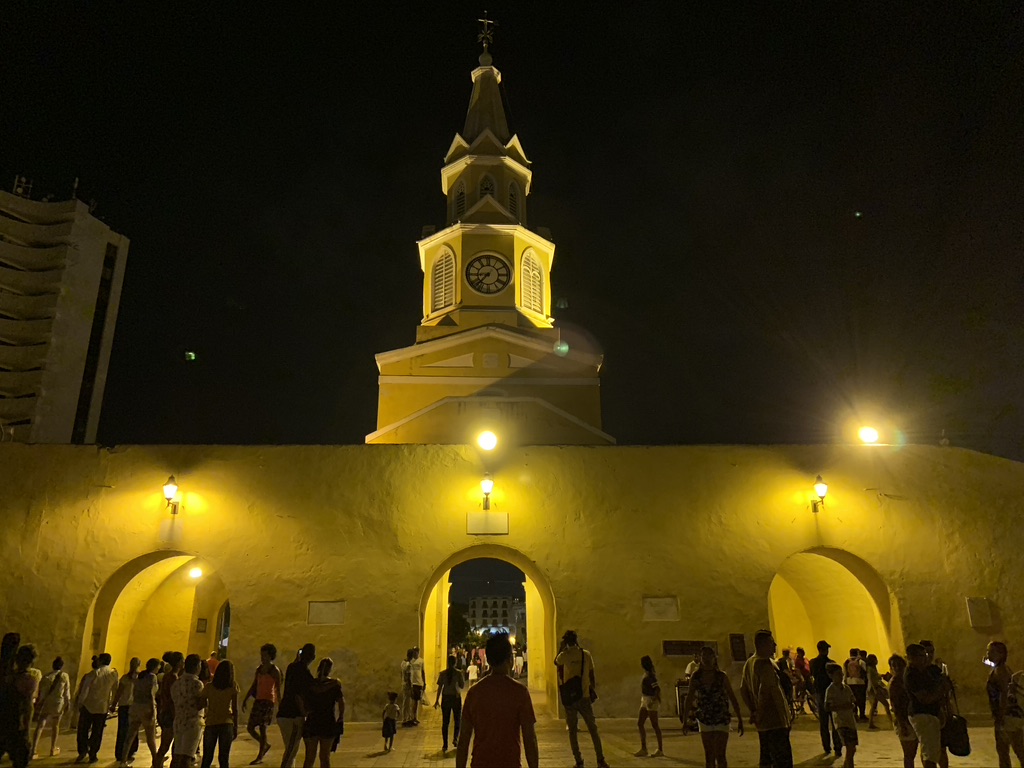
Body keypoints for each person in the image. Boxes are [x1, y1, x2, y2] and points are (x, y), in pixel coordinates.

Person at [457, 632, 538, 768]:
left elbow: (464, 739)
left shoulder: (475, 693)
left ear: (488, 660)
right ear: (510, 659)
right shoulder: (519, 692)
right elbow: (530, 738)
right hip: (510, 763)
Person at [681, 646, 743, 768]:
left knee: (721, 755)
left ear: (714, 658)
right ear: (700, 658)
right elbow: (689, 698)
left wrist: (740, 718)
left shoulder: (721, 676)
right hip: (705, 718)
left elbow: (732, 696)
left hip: (721, 717)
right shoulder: (696, 676)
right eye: (704, 656)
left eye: (710, 655)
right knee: (709, 756)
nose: (707, 659)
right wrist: (685, 719)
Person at [555, 630, 608, 768]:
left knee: (573, 732)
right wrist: (591, 690)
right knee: (593, 729)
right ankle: (600, 759)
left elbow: (556, 662)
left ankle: (579, 760)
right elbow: (591, 674)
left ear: (566, 641)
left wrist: (562, 647)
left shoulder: (565, 655)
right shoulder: (586, 654)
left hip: (570, 700)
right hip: (584, 696)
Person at [740, 629, 792, 768]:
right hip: (775, 721)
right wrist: (759, 713)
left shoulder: (749, 663)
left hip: (763, 724)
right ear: (762, 645)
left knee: (766, 759)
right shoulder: (765, 664)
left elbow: (743, 689)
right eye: (771, 643)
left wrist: (753, 710)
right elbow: (765, 692)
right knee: (781, 761)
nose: (775, 646)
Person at [905, 643, 951, 768]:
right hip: (922, 714)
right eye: (922, 655)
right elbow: (924, 698)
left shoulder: (926, 671)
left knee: (934, 751)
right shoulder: (912, 674)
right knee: (929, 753)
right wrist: (942, 690)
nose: (925, 658)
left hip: (930, 714)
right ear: (911, 657)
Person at [0, 644, 41, 768]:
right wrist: (27, 729)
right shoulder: (29, 679)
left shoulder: (6, 677)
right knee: (21, 760)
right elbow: (28, 706)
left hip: (2, 721)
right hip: (17, 724)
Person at [986, 641, 1024, 768]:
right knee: (1018, 749)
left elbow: (1003, 694)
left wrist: (1000, 717)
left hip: (1007, 716)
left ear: (1001, 654)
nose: (988, 654)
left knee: (1004, 752)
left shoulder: (1000, 671)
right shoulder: (1003, 669)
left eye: (992, 652)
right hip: (1013, 716)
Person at [76, 651, 119, 764]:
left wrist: (80, 703)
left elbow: (85, 690)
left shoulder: (94, 673)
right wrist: (114, 703)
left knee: (83, 730)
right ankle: (93, 754)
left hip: (88, 705)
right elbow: (115, 690)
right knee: (97, 732)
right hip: (102, 707)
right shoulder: (113, 674)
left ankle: (82, 751)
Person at [277, 643, 316, 768]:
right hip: (293, 715)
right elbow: (298, 695)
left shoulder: (291, 667)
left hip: (283, 714)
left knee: (290, 749)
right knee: (291, 750)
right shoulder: (304, 672)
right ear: (313, 657)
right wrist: (304, 712)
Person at [242, 643, 282, 765]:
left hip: (268, 701)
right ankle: (264, 745)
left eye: (264, 655)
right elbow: (254, 684)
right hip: (259, 700)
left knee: (263, 727)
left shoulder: (274, 671)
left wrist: (280, 706)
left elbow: (278, 689)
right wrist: (246, 698)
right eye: (261, 655)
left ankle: (260, 755)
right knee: (250, 727)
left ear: (270, 656)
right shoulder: (259, 669)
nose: (262, 657)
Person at [301, 658, 343, 768]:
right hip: (327, 722)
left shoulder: (311, 684)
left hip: (312, 721)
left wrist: (305, 713)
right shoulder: (335, 685)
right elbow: (341, 703)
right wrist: (341, 717)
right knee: (325, 757)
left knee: (309, 758)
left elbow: (304, 701)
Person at [199, 659, 238, 768]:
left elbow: (201, 703)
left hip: (211, 722)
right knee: (224, 758)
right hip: (227, 722)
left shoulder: (209, 687)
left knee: (207, 757)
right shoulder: (232, 686)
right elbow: (235, 709)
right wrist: (236, 726)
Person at [31, 656, 71, 758]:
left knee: (40, 726)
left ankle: (33, 750)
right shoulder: (64, 676)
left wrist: (39, 703)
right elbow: (66, 692)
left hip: (46, 703)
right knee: (55, 726)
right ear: (62, 666)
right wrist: (68, 704)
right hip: (58, 703)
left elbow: (41, 692)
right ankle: (53, 748)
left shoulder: (46, 677)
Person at [170, 654, 205, 768]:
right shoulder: (197, 684)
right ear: (197, 666)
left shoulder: (177, 682)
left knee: (177, 754)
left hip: (179, 720)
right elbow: (199, 705)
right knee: (187, 757)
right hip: (192, 722)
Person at [810, 640, 842, 757]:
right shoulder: (831, 664)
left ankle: (826, 747)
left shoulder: (813, 662)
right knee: (834, 721)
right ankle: (837, 747)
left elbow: (812, 675)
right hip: (831, 693)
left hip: (820, 693)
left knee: (823, 723)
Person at [127, 658, 160, 768]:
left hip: (136, 706)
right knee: (150, 737)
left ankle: (123, 760)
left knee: (130, 735)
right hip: (146, 707)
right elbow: (150, 694)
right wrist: (152, 710)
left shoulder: (139, 676)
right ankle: (155, 760)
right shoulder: (152, 677)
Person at [887, 654, 918, 768]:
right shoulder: (894, 683)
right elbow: (895, 706)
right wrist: (902, 724)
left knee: (912, 752)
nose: (896, 668)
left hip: (911, 718)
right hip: (903, 720)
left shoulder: (906, 680)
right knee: (909, 754)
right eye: (893, 665)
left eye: (898, 665)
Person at [825, 663, 858, 768]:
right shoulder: (830, 690)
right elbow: (827, 707)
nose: (841, 676)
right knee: (849, 747)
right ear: (831, 676)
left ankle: (846, 765)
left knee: (852, 748)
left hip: (850, 721)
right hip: (841, 722)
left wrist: (852, 706)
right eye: (838, 674)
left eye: (841, 674)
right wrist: (842, 706)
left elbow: (853, 701)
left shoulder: (846, 688)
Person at [155, 652, 184, 765]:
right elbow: (173, 698)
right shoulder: (173, 677)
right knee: (165, 745)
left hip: (166, 711)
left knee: (166, 745)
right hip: (170, 714)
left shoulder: (168, 675)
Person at [433, 654, 465, 753]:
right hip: (455, 698)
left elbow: (439, 688)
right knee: (457, 720)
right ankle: (455, 739)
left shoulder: (443, 674)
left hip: (446, 698)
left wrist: (437, 700)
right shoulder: (459, 673)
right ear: (455, 663)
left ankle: (445, 744)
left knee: (445, 722)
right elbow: (462, 686)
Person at [634, 655, 664, 758]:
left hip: (651, 700)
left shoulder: (650, 676)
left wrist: (653, 700)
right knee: (640, 723)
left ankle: (660, 749)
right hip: (645, 699)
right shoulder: (647, 674)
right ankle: (644, 748)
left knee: (655, 725)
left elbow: (657, 689)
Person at [114, 658, 141, 766]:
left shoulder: (125, 678)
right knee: (132, 730)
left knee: (123, 730)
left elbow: (119, 692)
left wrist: (113, 704)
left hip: (124, 706)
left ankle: (121, 753)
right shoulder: (140, 678)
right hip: (133, 706)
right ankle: (130, 751)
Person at [864, 654, 892, 729]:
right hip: (875, 689)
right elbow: (872, 680)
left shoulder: (871, 668)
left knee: (873, 706)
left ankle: (870, 723)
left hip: (873, 689)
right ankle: (891, 721)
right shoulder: (870, 668)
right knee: (885, 704)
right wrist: (875, 690)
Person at [402, 647, 425, 727]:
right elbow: (408, 676)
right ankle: (405, 719)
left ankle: (408, 718)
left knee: (408, 703)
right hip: (408, 685)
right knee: (407, 703)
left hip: (406, 684)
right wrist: (411, 686)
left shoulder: (404, 663)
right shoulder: (407, 664)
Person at [844, 648, 867, 721]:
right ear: (857, 653)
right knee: (861, 699)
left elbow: (844, 673)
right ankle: (862, 715)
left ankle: (854, 714)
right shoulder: (860, 662)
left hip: (850, 682)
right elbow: (866, 670)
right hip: (860, 682)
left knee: (853, 699)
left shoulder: (846, 662)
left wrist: (845, 681)